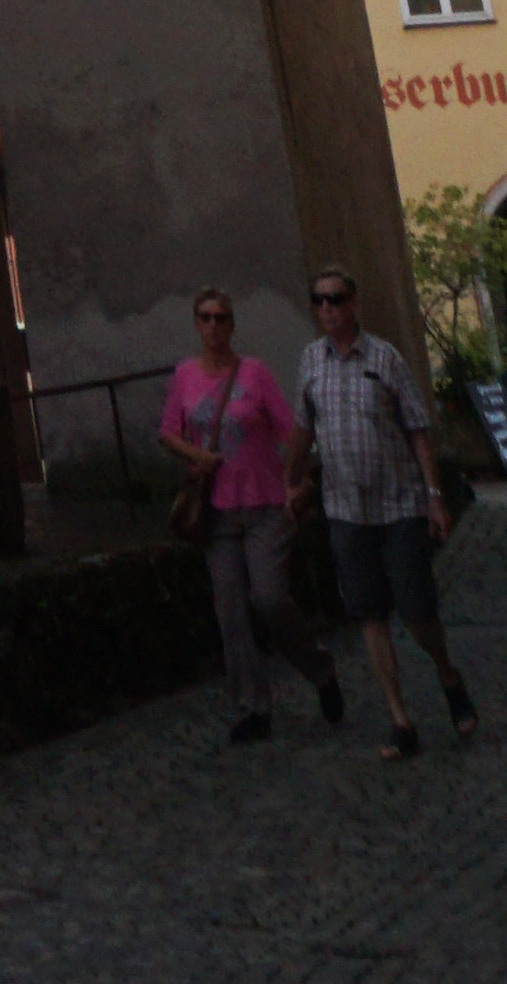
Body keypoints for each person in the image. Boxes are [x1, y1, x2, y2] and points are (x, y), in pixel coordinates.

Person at [295, 260, 476, 754]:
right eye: (319, 300)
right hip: (345, 511)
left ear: (353, 305)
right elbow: (304, 427)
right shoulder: (310, 362)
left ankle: (447, 674)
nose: (327, 309)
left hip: (398, 507)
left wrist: (434, 496)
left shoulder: (385, 358)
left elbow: (418, 428)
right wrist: (294, 483)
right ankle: (401, 719)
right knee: (369, 614)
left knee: (418, 612)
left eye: (335, 299)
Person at [163, 282, 342, 741]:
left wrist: (298, 479)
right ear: (196, 324)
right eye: (205, 317)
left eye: (221, 317)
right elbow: (168, 433)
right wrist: (196, 457)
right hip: (216, 512)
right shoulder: (184, 375)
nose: (213, 326)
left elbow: (289, 429)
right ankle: (253, 707)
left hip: (264, 504)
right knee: (230, 611)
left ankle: (319, 669)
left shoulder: (255, 374)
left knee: (268, 598)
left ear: (232, 324)